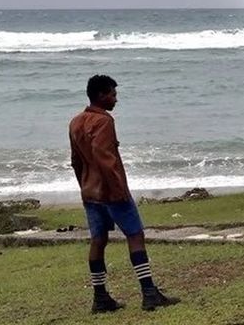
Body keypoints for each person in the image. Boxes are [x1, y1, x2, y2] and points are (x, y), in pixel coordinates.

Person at [69, 75, 178, 313]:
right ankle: (149, 293)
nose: (115, 99)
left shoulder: (75, 122)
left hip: (90, 192)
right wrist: (118, 190)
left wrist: (84, 186)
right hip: (111, 191)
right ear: (101, 95)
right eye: (112, 94)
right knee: (135, 235)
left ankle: (100, 298)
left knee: (98, 240)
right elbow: (105, 159)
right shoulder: (104, 122)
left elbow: (76, 161)